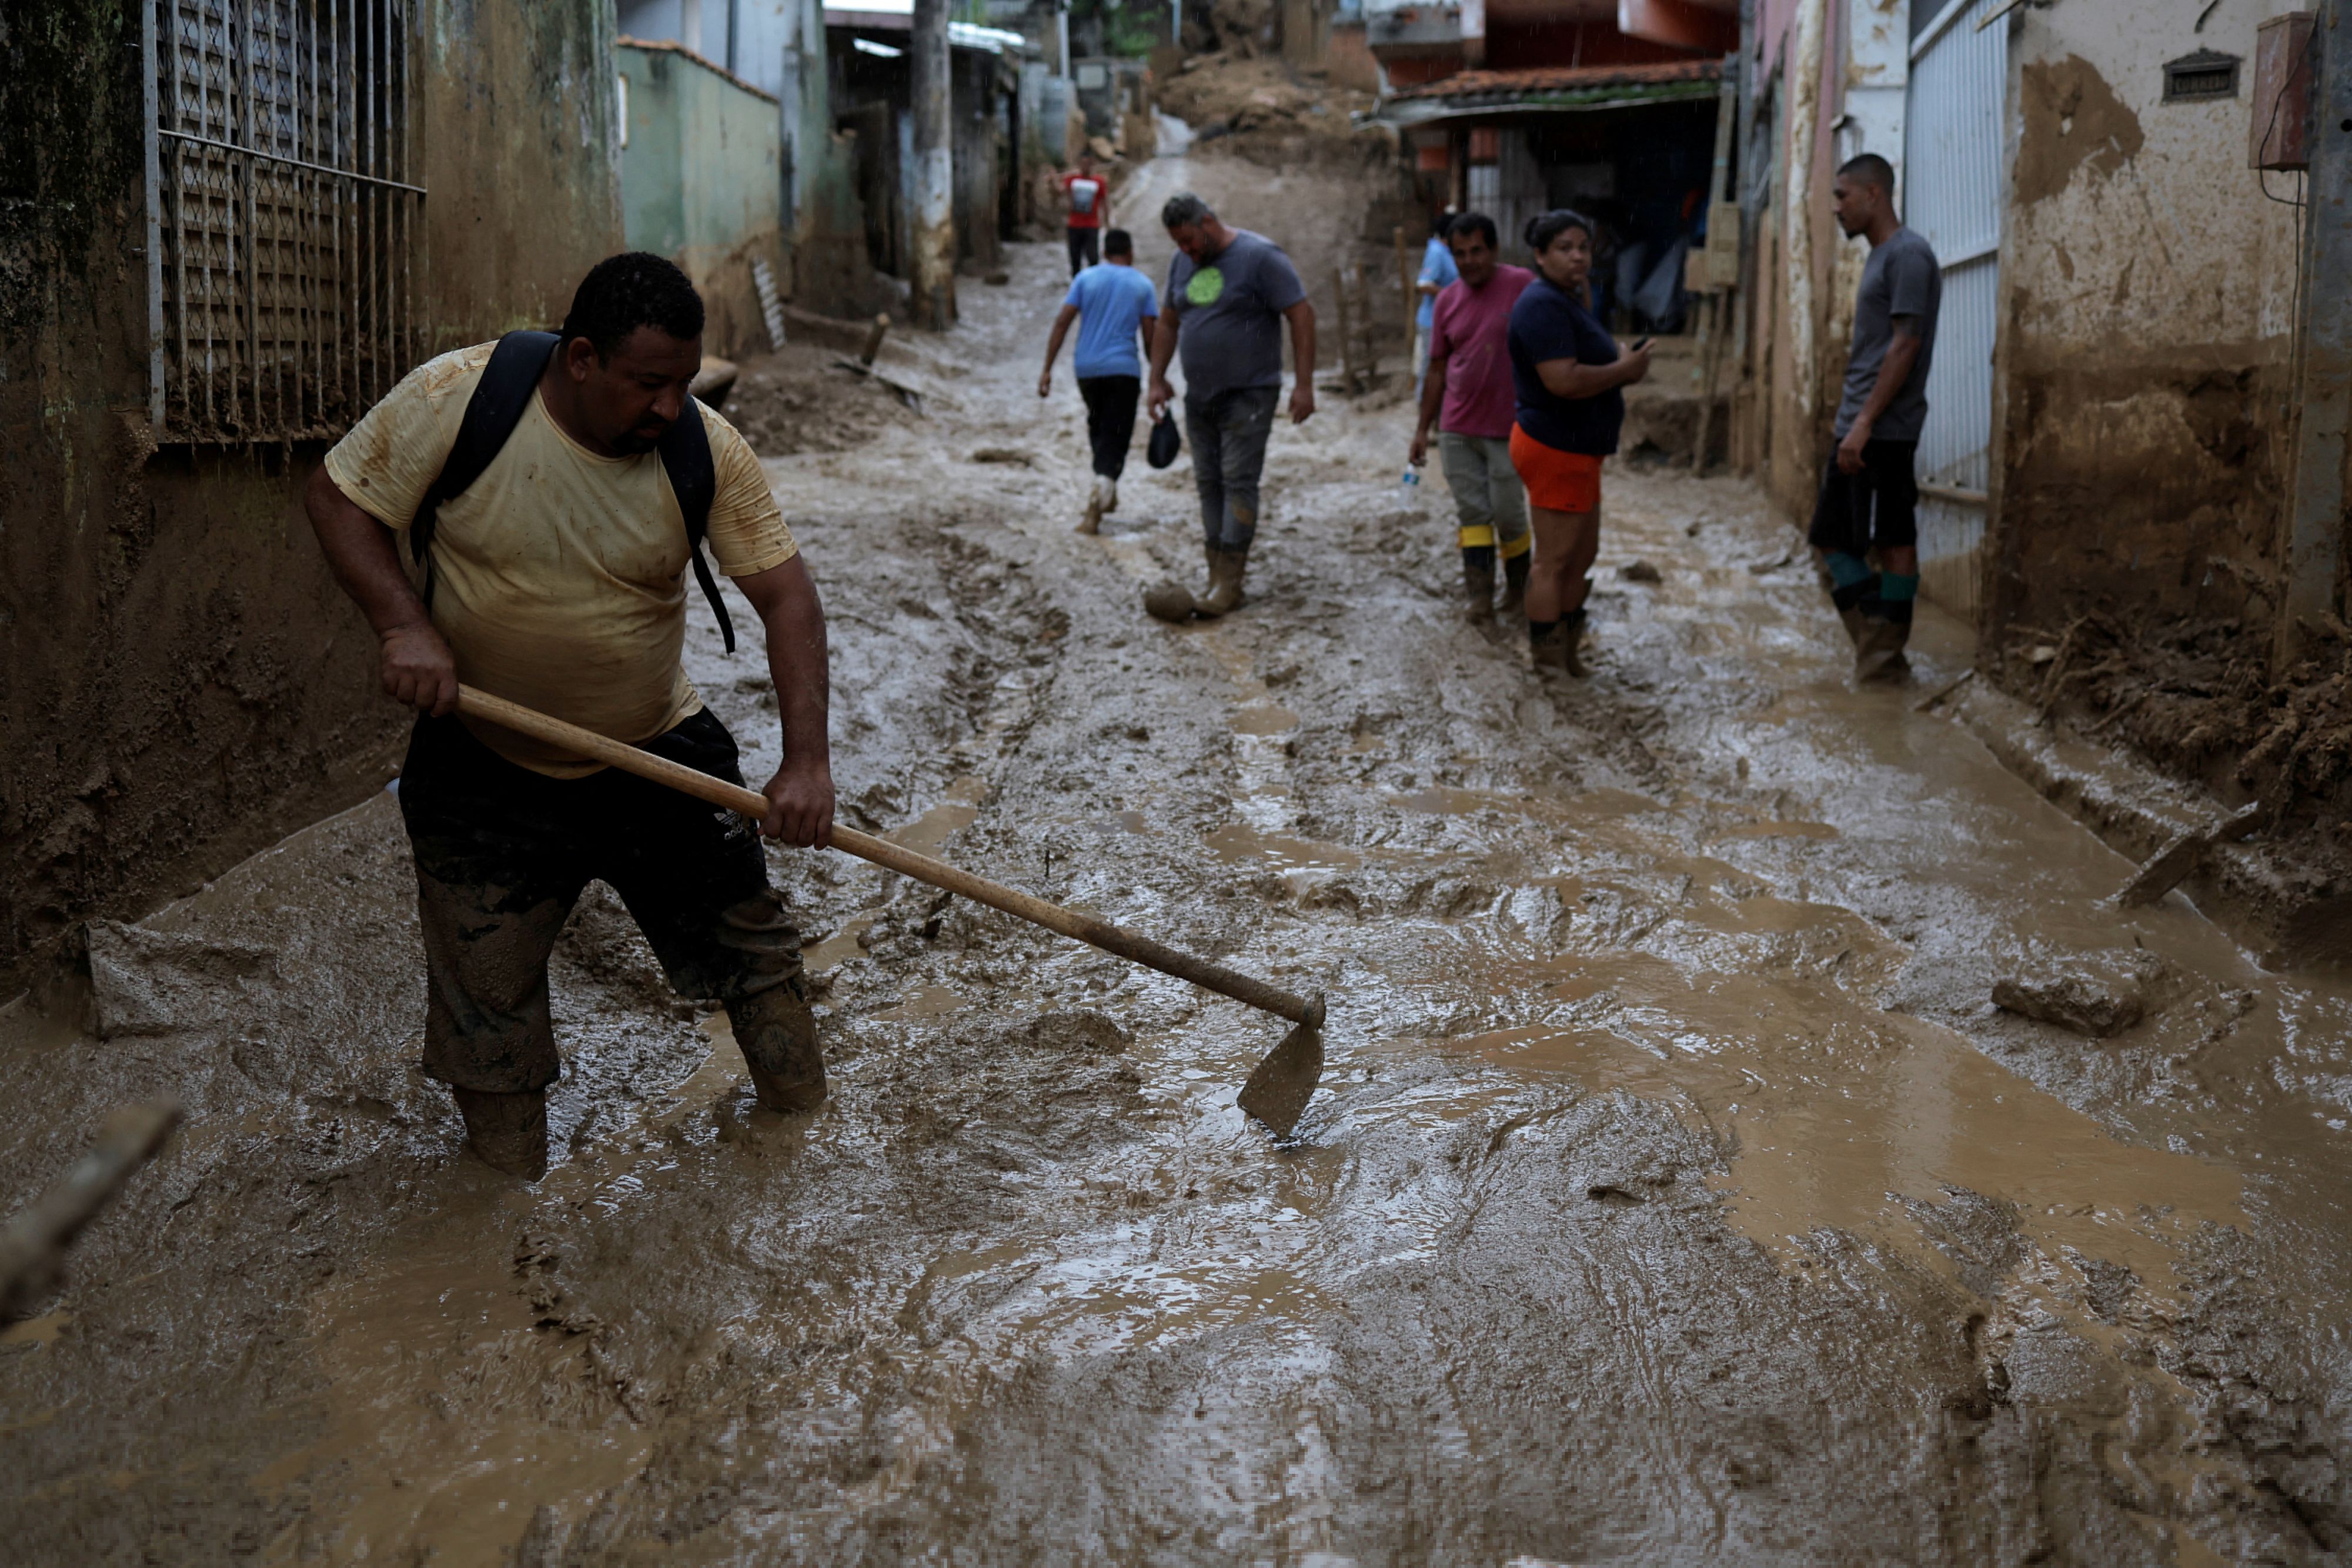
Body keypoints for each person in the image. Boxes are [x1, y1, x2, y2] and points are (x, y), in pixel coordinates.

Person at [303, 253, 837, 1179]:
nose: (670, 405)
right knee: (489, 1010)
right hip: (482, 767)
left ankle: (808, 1155)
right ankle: (502, 1220)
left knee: (759, 965)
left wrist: (806, 764)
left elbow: (788, 600)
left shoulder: (704, 447)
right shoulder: (460, 401)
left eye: (683, 382)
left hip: (658, 755)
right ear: (582, 358)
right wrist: (404, 624)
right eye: (648, 383)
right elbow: (339, 496)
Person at [1141, 192, 1316, 622]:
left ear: (1208, 221)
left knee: (1238, 479)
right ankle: (1215, 571)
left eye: (1189, 240)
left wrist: (1305, 385)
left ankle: (1229, 583)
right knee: (1208, 481)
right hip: (1200, 394)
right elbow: (1168, 320)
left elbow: (1301, 314)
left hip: (1251, 393)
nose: (1185, 250)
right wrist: (1157, 378)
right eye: (1178, 243)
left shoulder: (1259, 257)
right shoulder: (1182, 263)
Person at [1812, 152, 1941, 680]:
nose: (1836, 207)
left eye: (1843, 196)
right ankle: (1881, 650)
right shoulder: (1882, 255)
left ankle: (1884, 658)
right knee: (1833, 537)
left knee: (1891, 539)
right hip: (1864, 423)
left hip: (1883, 428)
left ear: (1874, 195)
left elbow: (1905, 344)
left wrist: (1864, 422)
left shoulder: (1908, 255)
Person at [1506, 209, 1651, 676]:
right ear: (1540, 254)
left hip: (1577, 448)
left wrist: (1621, 359)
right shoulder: (1542, 305)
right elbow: (1562, 381)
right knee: (1553, 561)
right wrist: (1625, 371)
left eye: (1583, 247)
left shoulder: (1566, 299)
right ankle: (1548, 664)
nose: (1577, 257)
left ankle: (1567, 652)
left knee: (1580, 556)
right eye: (1565, 248)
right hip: (1555, 446)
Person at [1409, 212, 1536, 626]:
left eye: (1477, 251)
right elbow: (1437, 369)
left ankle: (1519, 593)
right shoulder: (1446, 300)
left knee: (1509, 513)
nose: (1469, 261)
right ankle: (1480, 597)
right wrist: (1422, 429)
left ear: (1494, 250)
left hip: (1509, 428)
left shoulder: (1522, 286)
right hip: (1458, 428)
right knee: (1472, 514)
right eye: (1459, 253)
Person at [1038, 226, 1160, 534]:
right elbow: (1150, 338)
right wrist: (1158, 375)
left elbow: (1062, 322)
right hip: (1124, 370)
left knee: (1099, 424)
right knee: (1117, 432)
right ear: (1130, 254)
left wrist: (1047, 369)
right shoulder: (1143, 285)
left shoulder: (1085, 279)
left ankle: (1106, 488)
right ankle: (1099, 495)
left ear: (1104, 253)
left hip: (1087, 370)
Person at [1412, 208, 1459, 403]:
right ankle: (1424, 407)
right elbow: (1424, 284)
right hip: (1432, 321)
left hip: (1447, 321)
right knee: (1430, 367)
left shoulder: (1448, 252)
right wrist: (1452, 295)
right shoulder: (1437, 252)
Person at [1060, 152, 1109, 277]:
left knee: (1093, 258)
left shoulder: (1099, 182)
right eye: (1083, 164)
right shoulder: (1072, 180)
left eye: (1088, 164)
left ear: (1092, 165)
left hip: (1091, 226)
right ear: (1079, 165)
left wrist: (1107, 222)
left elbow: (1105, 202)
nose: (1086, 166)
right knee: (1075, 261)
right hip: (1074, 225)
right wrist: (1052, 180)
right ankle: (1077, 287)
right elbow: (1059, 191)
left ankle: (1094, 284)